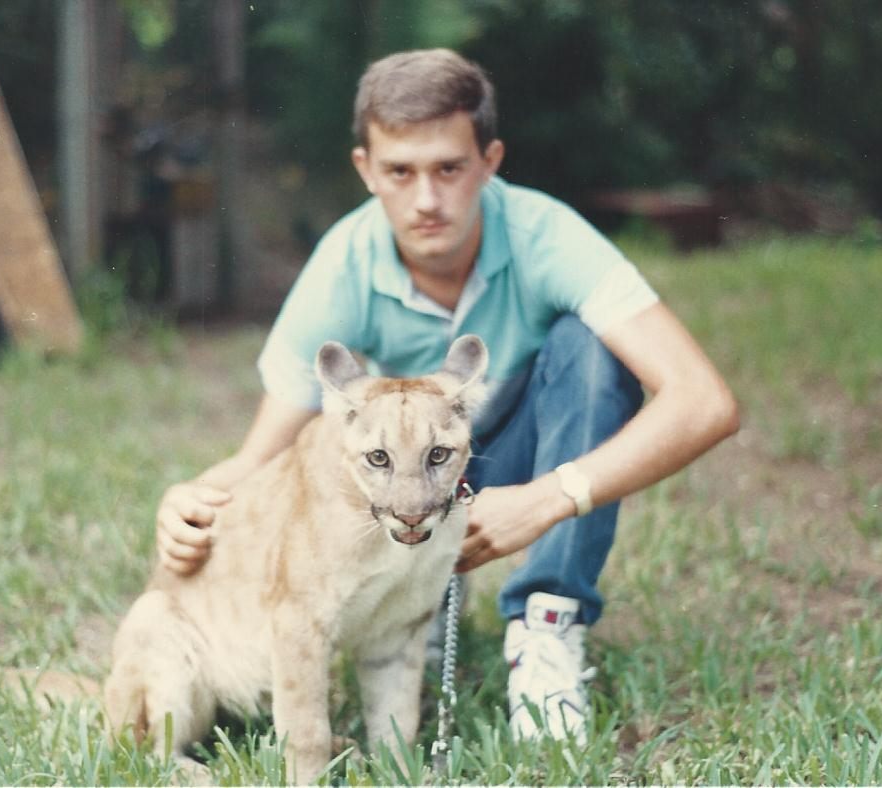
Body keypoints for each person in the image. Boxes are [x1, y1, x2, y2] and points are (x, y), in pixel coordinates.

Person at [154, 48, 738, 743]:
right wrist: (188, 500)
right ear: (366, 170)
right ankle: (410, 604)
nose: (426, 200)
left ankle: (546, 627)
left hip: (508, 456)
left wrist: (551, 496)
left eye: (449, 169)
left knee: (591, 349)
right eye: (401, 172)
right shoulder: (341, 267)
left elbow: (706, 401)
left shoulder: (544, 235)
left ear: (489, 162)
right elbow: (262, 457)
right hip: (402, 480)